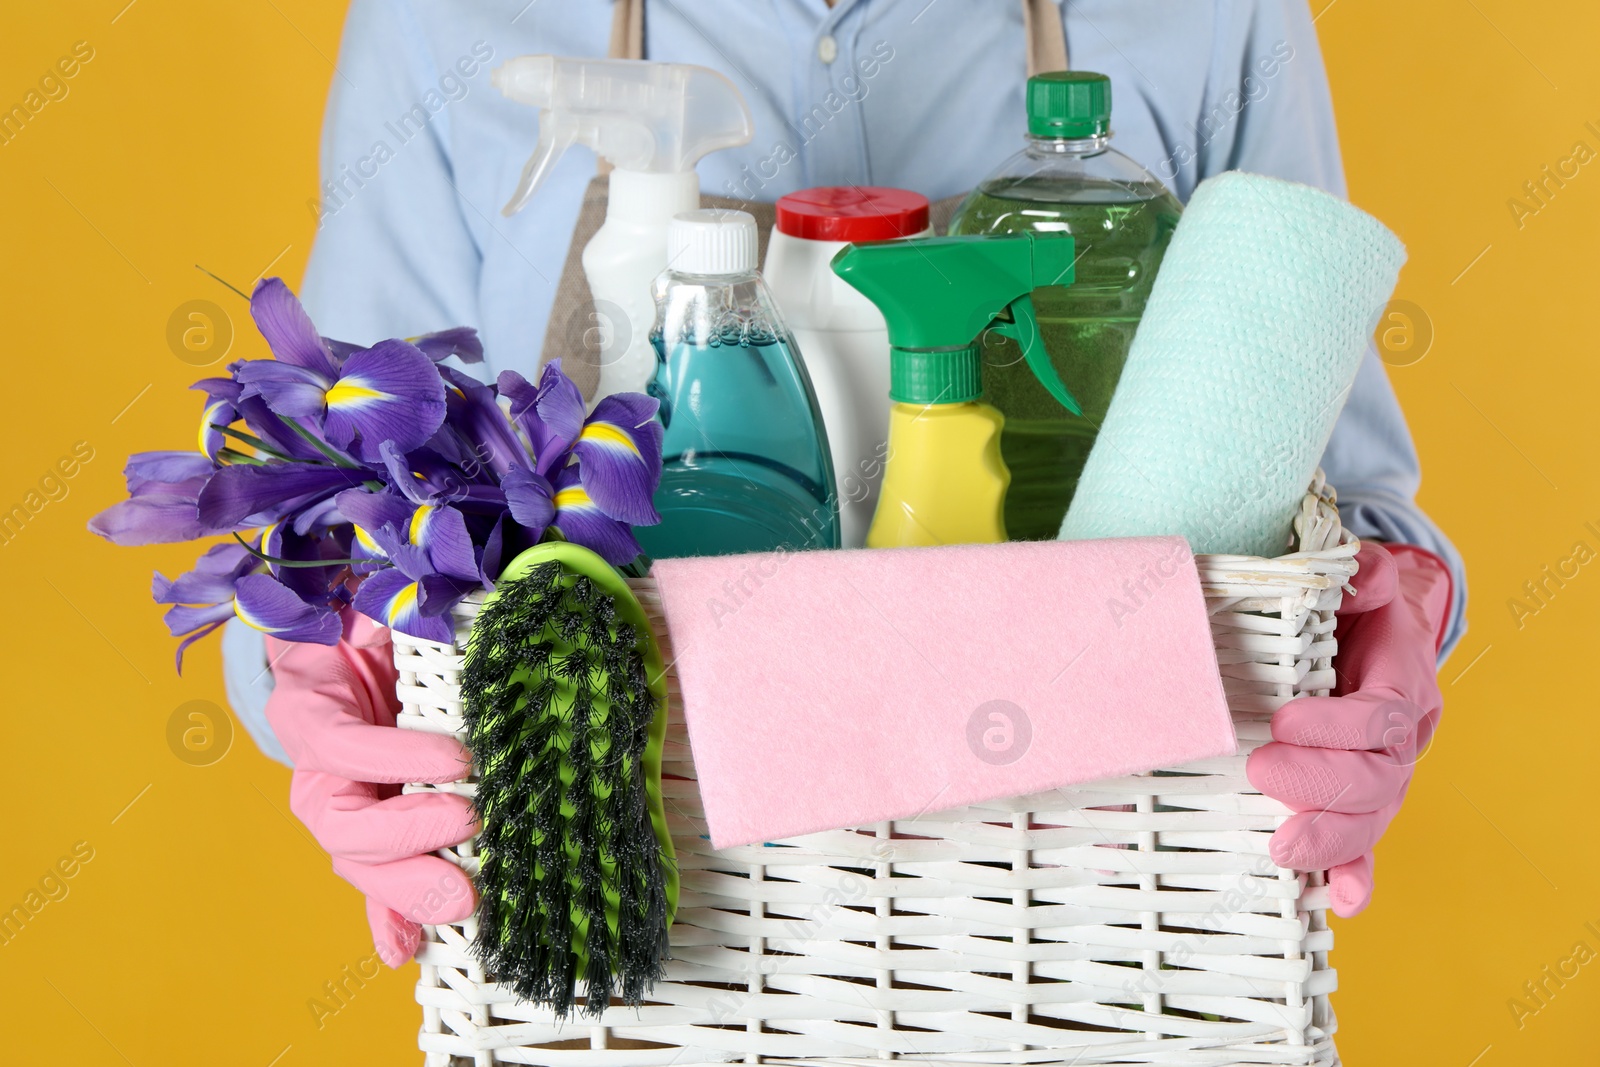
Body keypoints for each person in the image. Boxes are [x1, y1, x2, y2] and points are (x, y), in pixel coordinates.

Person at [223, 0, 1466, 966]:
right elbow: (329, 515)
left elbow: (1338, 509)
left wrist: (1387, 613)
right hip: (631, 922)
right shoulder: (445, 24)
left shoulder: (1209, 19)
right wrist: (332, 662)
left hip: (1078, 932)